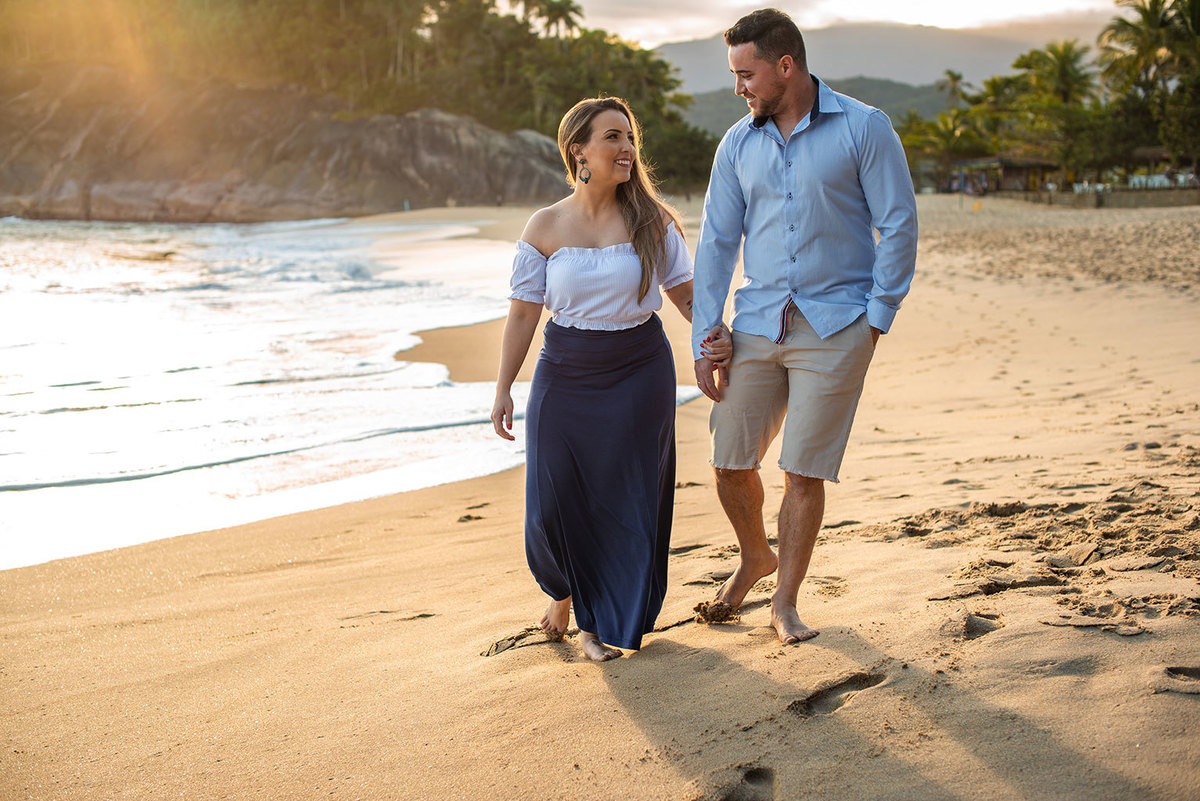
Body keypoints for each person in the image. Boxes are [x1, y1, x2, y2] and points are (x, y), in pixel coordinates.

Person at [691, 9, 918, 645]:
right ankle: (754, 556)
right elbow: (716, 243)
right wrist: (705, 335)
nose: (740, 87)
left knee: (802, 472)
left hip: (839, 322)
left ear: (785, 66)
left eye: (747, 73)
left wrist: (876, 319)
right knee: (730, 460)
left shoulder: (866, 128)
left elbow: (898, 224)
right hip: (758, 322)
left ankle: (783, 603)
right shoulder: (737, 144)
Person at [491, 96, 730, 662]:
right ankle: (564, 594)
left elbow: (686, 295)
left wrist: (719, 335)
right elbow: (525, 312)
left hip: (638, 371)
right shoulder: (544, 225)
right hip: (565, 372)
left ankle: (597, 625)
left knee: (625, 498)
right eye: (612, 138)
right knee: (553, 499)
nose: (626, 149)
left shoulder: (652, 221)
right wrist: (503, 387)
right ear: (580, 151)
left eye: (629, 138)